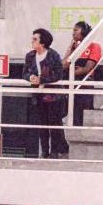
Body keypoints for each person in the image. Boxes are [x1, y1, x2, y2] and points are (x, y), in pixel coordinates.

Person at [23, 28, 66, 158]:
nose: (32, 41)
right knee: (42, 124)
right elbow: (24, 72)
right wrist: (31, 78)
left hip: (53, 96)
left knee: (54, 124)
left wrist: (42, 79)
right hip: (38, 96)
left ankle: (54, 151)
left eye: (35, 39)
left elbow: (59, 74)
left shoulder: (54, 55)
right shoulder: (30, 56)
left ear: (43, 42)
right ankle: (44, 151)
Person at [61, 22, 101, 127]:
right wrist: (69, 51)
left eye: (75, 30)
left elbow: (87, 68)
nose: (73, 33)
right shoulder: (74, 47)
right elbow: (63, 66)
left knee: (79, 104)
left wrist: (72, 71)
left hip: (84, 81)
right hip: (70, 79)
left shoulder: (94, 46)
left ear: (84, 32)